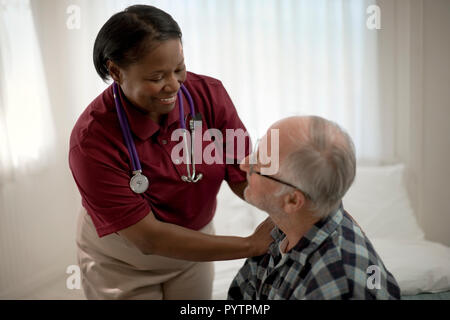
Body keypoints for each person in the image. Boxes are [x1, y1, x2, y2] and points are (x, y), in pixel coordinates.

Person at [69, 5, 274, 300]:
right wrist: (250, 245)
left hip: (194, 249)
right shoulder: (91, 141)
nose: (174, 85)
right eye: (156, 77)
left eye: (179, 69)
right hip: (123, 261)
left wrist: (295, 207)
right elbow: (148, 238)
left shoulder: (209, 95)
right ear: (115, 71)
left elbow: (243, 174)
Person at [228, 115, 401, 300]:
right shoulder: (283, 229)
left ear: (293, 201)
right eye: (257, 149)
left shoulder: (336, 287)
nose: (244, 163)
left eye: (259, 164)